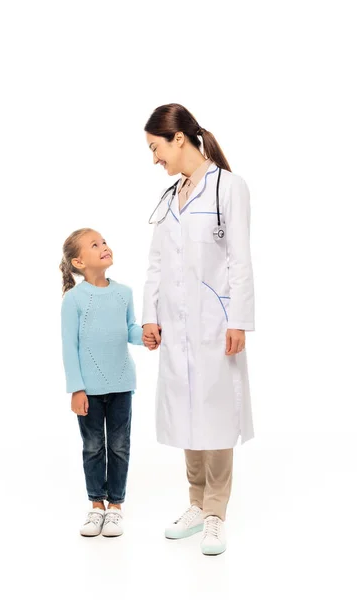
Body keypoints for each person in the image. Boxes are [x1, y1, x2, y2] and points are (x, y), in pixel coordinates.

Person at [142, 103, 255, 556]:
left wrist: (239, 320)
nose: (154, 159)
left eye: (155, 148)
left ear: (179, 139)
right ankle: (194, 502)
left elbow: (241, 259)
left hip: (215, 322)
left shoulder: (229, 187)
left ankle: (215, 514)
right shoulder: (172, 196)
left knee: (216, 412)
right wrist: (151, 315)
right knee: (186, 410)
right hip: (175, 324)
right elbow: (156, 263)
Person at [60, 228, 155, 538]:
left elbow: (129, 330)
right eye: (95, 245)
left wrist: (147, 336)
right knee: (92, 447)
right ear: (78, 261)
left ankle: (115, 507)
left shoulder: (123, 293)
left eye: (104, 242)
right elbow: (69, 347)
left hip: (122, 384)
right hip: (88, 390)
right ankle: (96, 505)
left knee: (119, 446)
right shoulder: (73, 300)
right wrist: (76, 388)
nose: (104, 247)